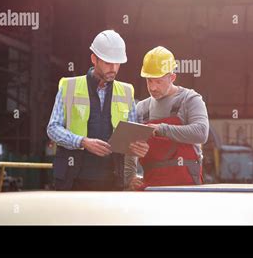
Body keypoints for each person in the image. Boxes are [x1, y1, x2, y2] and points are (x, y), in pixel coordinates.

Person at [47, 30, 149, 191]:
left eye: (117, 63)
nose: (113, 68)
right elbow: (53, 129)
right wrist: (83, 142)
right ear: (94, 59)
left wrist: (138, 147)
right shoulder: (69, 87)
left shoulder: (127, 91)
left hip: (112, 181)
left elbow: (132, 137)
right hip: (72, 179)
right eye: (108, 63)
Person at [128, 46, 209, 190]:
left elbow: (201, 133)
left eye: (158, 82)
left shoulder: (189, 99)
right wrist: (130, 177)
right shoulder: (141, 108)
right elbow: (130, 147)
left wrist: (162, 129)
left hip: (186, 190)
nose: (152, 88)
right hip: (151, 189)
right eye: (149, 81)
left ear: (172, 77)